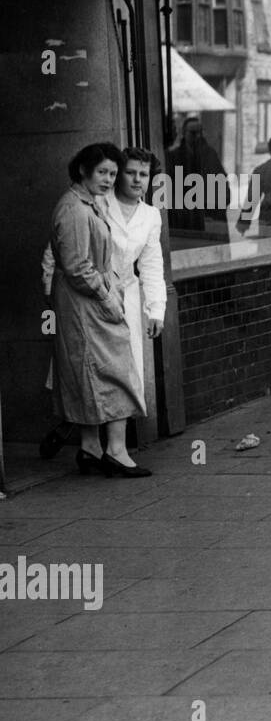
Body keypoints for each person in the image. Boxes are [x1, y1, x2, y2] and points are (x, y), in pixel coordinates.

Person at [47, 142, 150, 476]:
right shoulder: (74, 209)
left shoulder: (86, 204)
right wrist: (108, 296)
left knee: (89, 372)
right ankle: (116, 451)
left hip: (85, 300)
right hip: (86, 302)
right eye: (102, 172)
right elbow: (77, 267)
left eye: (113, 174)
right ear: (83, 170)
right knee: (115, 369)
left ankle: (91, 448)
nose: (109, 180)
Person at [165, 115, 226, 234]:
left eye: (200, 133)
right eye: (193, 133)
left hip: (210, 215)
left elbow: (222, 182)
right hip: (185, 218)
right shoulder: (175, 157)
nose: (197, 137)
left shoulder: (210, 155)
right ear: (184, 133)